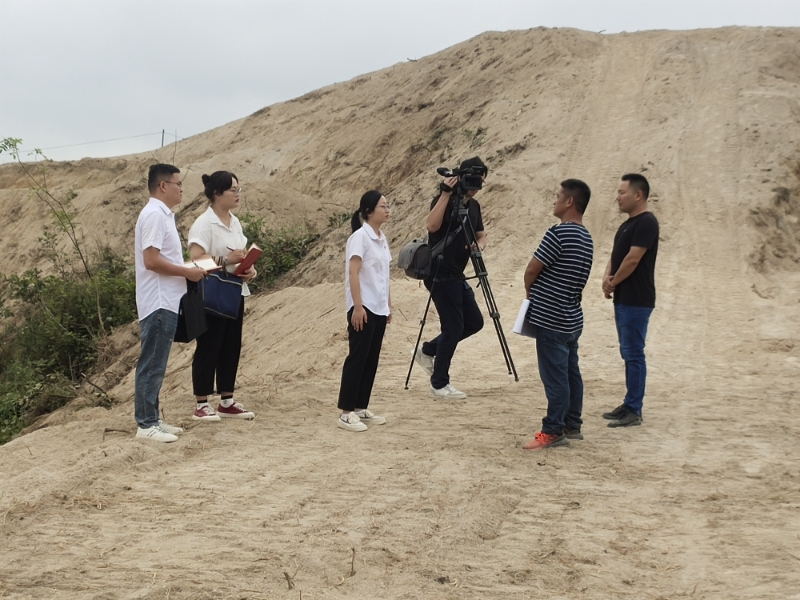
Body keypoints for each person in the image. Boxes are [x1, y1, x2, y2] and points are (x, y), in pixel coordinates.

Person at [134, 164, 206, 442]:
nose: (182, 189)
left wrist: (189, 269)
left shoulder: (161, 215)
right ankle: (146, 424)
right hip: (158, 299)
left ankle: (152, 418)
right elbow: (151, 261)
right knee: (152, 363)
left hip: (166, 299)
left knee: (157, 363)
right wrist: (187, 272)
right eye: (178, 184)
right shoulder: (154, 215)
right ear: (163, 186)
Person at [521, 180, 594, 450]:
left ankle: (552, 430)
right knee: (571, 372)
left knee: (555, 377)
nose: (554, 201)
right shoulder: (586, 237)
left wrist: (530, 292)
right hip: (571, 316)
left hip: (551, 317)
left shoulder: (559, 233)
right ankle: (572, 424)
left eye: (558, 196)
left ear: (569, 201)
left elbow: (532, 269)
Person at [414, 157, 487, 399]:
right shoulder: (443, 200)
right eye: (472, 180)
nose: (475, 186)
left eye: (480, 182)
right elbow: (431, 226)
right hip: (439, 273)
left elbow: (481, 234)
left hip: (457, 274)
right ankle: (439, 384)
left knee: (474, 322)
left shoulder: (474, 206)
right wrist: (446, 194)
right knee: (453, 327)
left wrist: (479, 245)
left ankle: (428, 350)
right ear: (460, 178)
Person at [187, 171, 257, 421]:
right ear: (217, 193)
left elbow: (241, 255)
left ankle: (227, 400)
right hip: (211, 294)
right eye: (233, 190)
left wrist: (250, 269)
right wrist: (227, 260)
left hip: (234, 291)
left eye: (239, 189)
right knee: (209, 346)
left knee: (231, 346)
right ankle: (201, 403)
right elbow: (195, 260)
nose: (238, 194)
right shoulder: (204, 224)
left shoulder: (234, 222)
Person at [601, 173, 659, 428]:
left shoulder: (647, 222)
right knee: (628, 351)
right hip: (625, 298)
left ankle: (634, 408)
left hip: (637, 299)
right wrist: (607, 277)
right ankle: (629, 403)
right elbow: (616, 255)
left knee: (634, 353)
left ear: (638, 194)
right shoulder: (627, 225)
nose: (618, 197)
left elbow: (633, 259)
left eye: (622, 192)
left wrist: (613, 281)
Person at [337, 191, 392, 432]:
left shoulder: (381, 238)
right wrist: (357, 307)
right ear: (369, 211)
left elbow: (384, 275)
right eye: (383, 206)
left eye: (388, 206)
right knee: (358, 357)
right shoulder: (360, 237)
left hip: (378, 307)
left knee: (371, 358)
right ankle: (346, 412)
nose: (387, 210)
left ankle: (360, 407)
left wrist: (388, 304)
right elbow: (353, 273)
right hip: (364, 305)